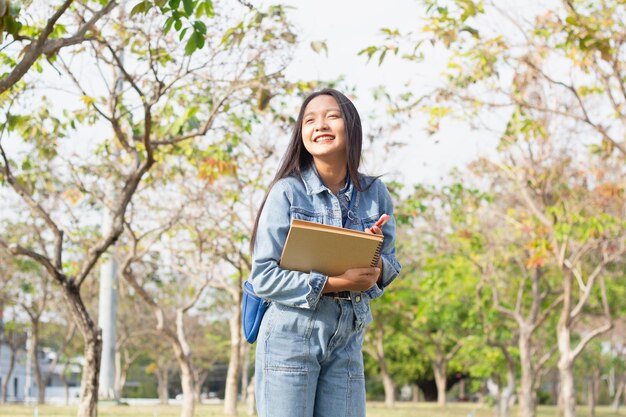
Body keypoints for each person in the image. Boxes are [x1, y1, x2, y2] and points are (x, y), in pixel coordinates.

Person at [249, 88, 401, 417]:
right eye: (310, 120)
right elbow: (263, 277)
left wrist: (374, 268)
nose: (320, 125)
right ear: (301, 134)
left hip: (347, 338)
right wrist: (336, 281)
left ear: (351, 127)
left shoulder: (375, 194)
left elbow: (391, 263)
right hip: (291, 336)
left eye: (332, 116)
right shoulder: (287, 192)